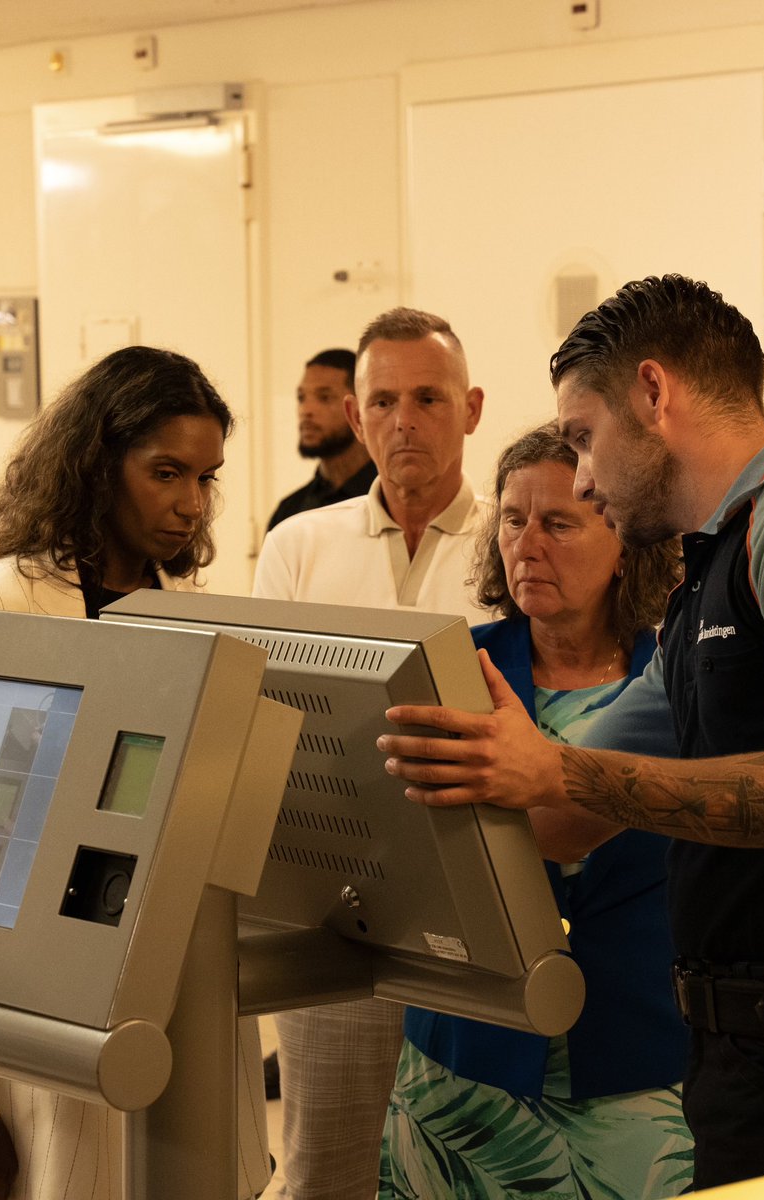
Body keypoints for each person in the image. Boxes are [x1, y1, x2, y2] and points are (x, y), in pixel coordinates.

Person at [376, 274, 764, 1190]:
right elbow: (559, 817)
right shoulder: (699, 590)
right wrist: (432, 774)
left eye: (583, 441)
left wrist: (550, 770)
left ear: (653, 393)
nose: (586, 477)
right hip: (734, 1058)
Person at [0, 345, 272, 1200]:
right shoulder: (0, 604)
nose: (190, 505)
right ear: (97, 465)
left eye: (206, 478)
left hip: (179, 1005)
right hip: (37, 1021)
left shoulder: (191, 613)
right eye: (166, 473)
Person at [379, 421, 691, 1199]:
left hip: (634, 1057)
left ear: (624, 539)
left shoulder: (684, 681)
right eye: (513, 520)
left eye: (558, 523)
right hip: (467, 1063)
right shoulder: (449, 670)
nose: (528, 544)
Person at [254, 306, 488, 1200]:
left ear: (469, 409)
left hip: (475, 910)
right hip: (337, 915)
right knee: (327, 1166)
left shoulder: (517, 541)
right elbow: (264, 722)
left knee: (462, 1161)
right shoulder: (299, 547)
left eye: (427, 397)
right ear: (356, 418)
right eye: (383, 400)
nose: (404, 420)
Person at [266, 348, 376, 530]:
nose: (306, 410)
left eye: (324, 397)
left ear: (357, 409)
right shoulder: (290, 512)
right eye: (302, 398)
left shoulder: (391, 500)